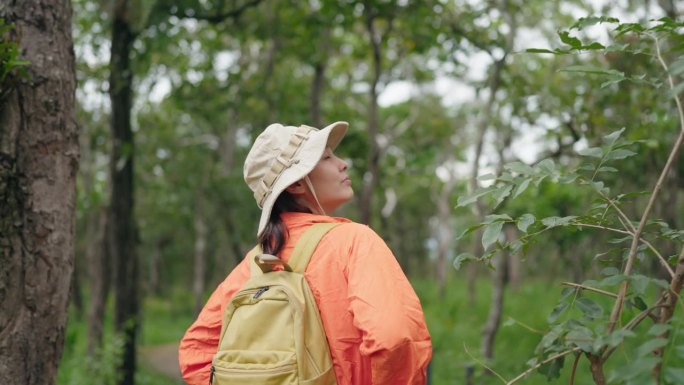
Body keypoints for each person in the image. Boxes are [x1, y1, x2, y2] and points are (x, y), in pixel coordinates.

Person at [178, 121, 432, 385]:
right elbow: (395, 338)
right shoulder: (355, 241)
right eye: (326, 157)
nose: (343, 163)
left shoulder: (255, 263)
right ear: (297, 185)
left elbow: (195, 351)